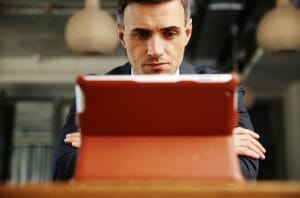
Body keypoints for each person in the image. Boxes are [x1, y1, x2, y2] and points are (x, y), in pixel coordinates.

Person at [52, 0, 266, 181]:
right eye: (141, 35)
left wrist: (107, 146)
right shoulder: (93, 94)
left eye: (169, 33)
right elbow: (64, 173)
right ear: (122, 36)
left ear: (187, 33)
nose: (155, 50)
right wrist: (215, 146)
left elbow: (244, 173)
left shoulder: (222, 88)